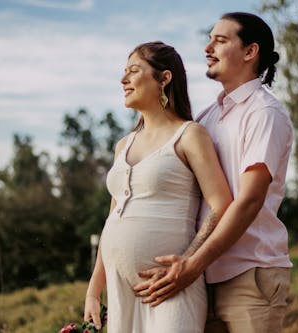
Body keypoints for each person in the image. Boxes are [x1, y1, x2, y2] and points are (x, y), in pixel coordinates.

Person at [133, 12, 294, 333]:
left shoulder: (264, 113)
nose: (208, 47)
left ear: (250, 52)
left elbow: (248, 202)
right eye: (209, 39)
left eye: (221, 40)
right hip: (202, 280)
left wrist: (192, 264)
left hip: (249, 276)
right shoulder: (206, 118)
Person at [83, 41, 232, 332]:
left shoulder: (189, 135)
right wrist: (93, 289)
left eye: (134, 71)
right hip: (120, 291)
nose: (123, 79)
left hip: (171, 289)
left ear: (164, 78)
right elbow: (113, 219)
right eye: (123, 72)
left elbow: (221, 203)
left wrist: (186, 264)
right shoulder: (123, 145)